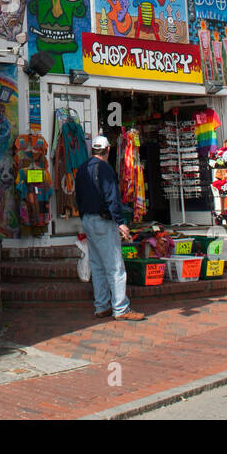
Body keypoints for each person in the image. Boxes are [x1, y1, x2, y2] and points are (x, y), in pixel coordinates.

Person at [75, 134, 146, 321]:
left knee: (97, 264)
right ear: (107, 151)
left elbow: (78, 196)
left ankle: (101, 306)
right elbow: (111, 197)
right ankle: (121, 308)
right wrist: (121, 222)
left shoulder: (83, 168)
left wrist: (84, 216)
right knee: (115, 265)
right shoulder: (104, 169)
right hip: (103, 220)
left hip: (88, 220)